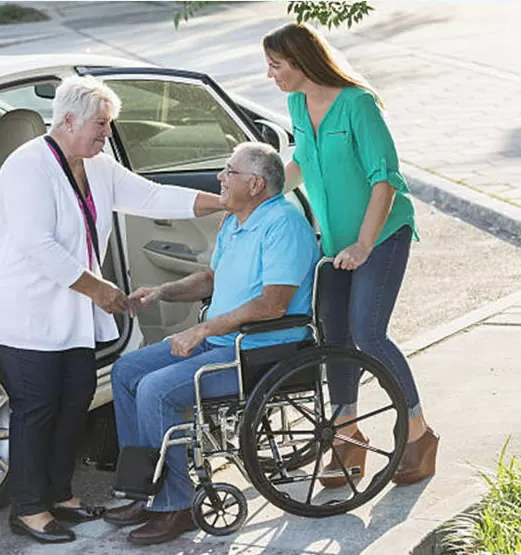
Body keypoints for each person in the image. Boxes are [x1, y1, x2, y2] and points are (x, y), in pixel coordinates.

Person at [0, 75, 222, 544]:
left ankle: (60, 494)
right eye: (101, 124)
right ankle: (28, 508)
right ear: (67, 120)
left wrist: (223, 201)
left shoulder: (96, 165)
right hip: (30, 317)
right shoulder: (27, 167)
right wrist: (100, 289)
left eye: (108, 123)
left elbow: (153, 195)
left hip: (76, 318)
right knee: (36, 410)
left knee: (73, 403)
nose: (107, 133)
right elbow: (36, 246)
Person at [103, 142, 319, 546]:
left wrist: (200, 330)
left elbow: (272, 304)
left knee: (156, 390)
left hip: (259, 351)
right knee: (126, 370)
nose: (219, 177)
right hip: (223, 342)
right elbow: (211, 279)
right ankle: (143, 491)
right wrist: (163, 291)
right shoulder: (235, 221)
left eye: (228, 171)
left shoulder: (284, 225)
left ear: (255, 184)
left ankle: (176, 506)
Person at [263, 23, 439, 488]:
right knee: (333, 339)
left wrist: (364, 243)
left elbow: (386, 178)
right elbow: (304, 160)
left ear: (301, 63)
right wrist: (261, 193)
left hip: (380, 237)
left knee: (368, 334)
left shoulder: (358, 104)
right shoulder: (297, 103)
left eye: (276, 65)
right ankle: (347, 435)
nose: (270, 74)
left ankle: (419, 435)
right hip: (335, 244)